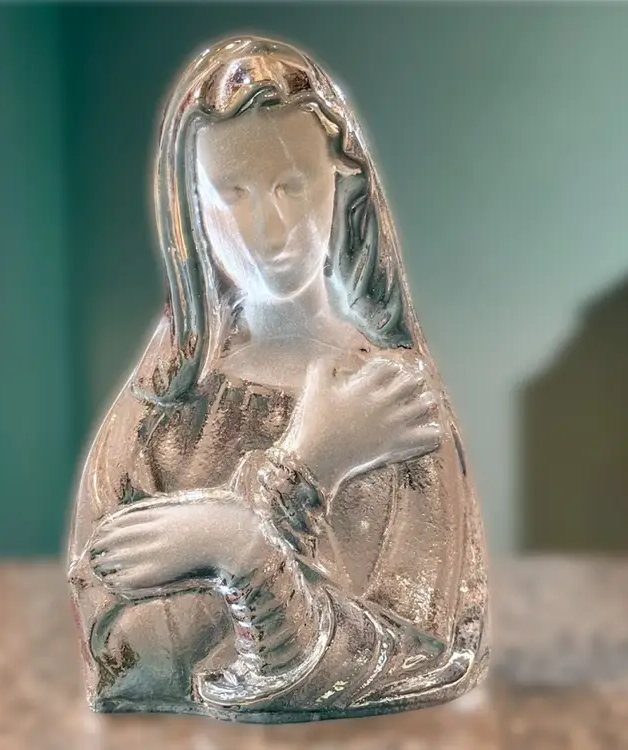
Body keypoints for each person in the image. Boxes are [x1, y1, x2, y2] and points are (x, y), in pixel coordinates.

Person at [68, 36, 489, 721]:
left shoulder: (389, 400)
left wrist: (236, 543)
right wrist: (302, 469)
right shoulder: (164, 403)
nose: (271, 230)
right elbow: (123, 652)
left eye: (293, 185)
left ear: (342, 181)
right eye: (233, 194)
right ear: (191, 207)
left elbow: (422, 651)